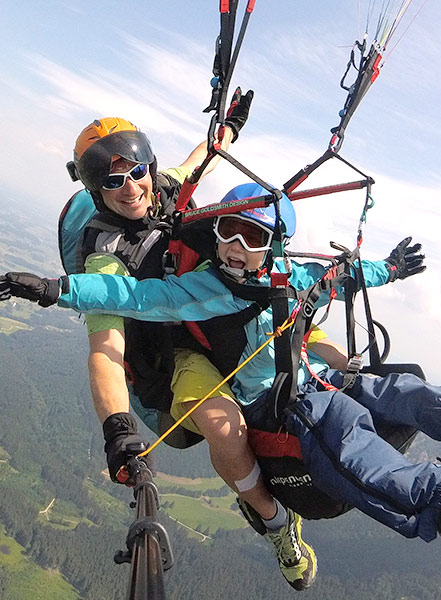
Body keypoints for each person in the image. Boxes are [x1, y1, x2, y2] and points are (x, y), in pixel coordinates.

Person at [0, 183, 441, 571]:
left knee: (410, 393)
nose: (235, 246)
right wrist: (57, 290)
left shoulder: (290, 278)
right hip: (286, 407)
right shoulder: (204, 291)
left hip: (314, 381)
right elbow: (129, 292)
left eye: (251, 236)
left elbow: (340, 279)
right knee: (350, 442)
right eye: (227, 230)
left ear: (275, 244)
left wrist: (388, 270)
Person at [57, 106, 317, 590]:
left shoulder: (162, 189)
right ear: (96, 192)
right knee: (226, 428)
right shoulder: (105, 257)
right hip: (176, 352)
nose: (132, 188)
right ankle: (279, 526)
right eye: (114, 183)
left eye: (137, 172)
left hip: (218, 312)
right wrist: (118, 428)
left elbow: (204, 158)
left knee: (314, 339)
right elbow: (105, 348)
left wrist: (230, 128)